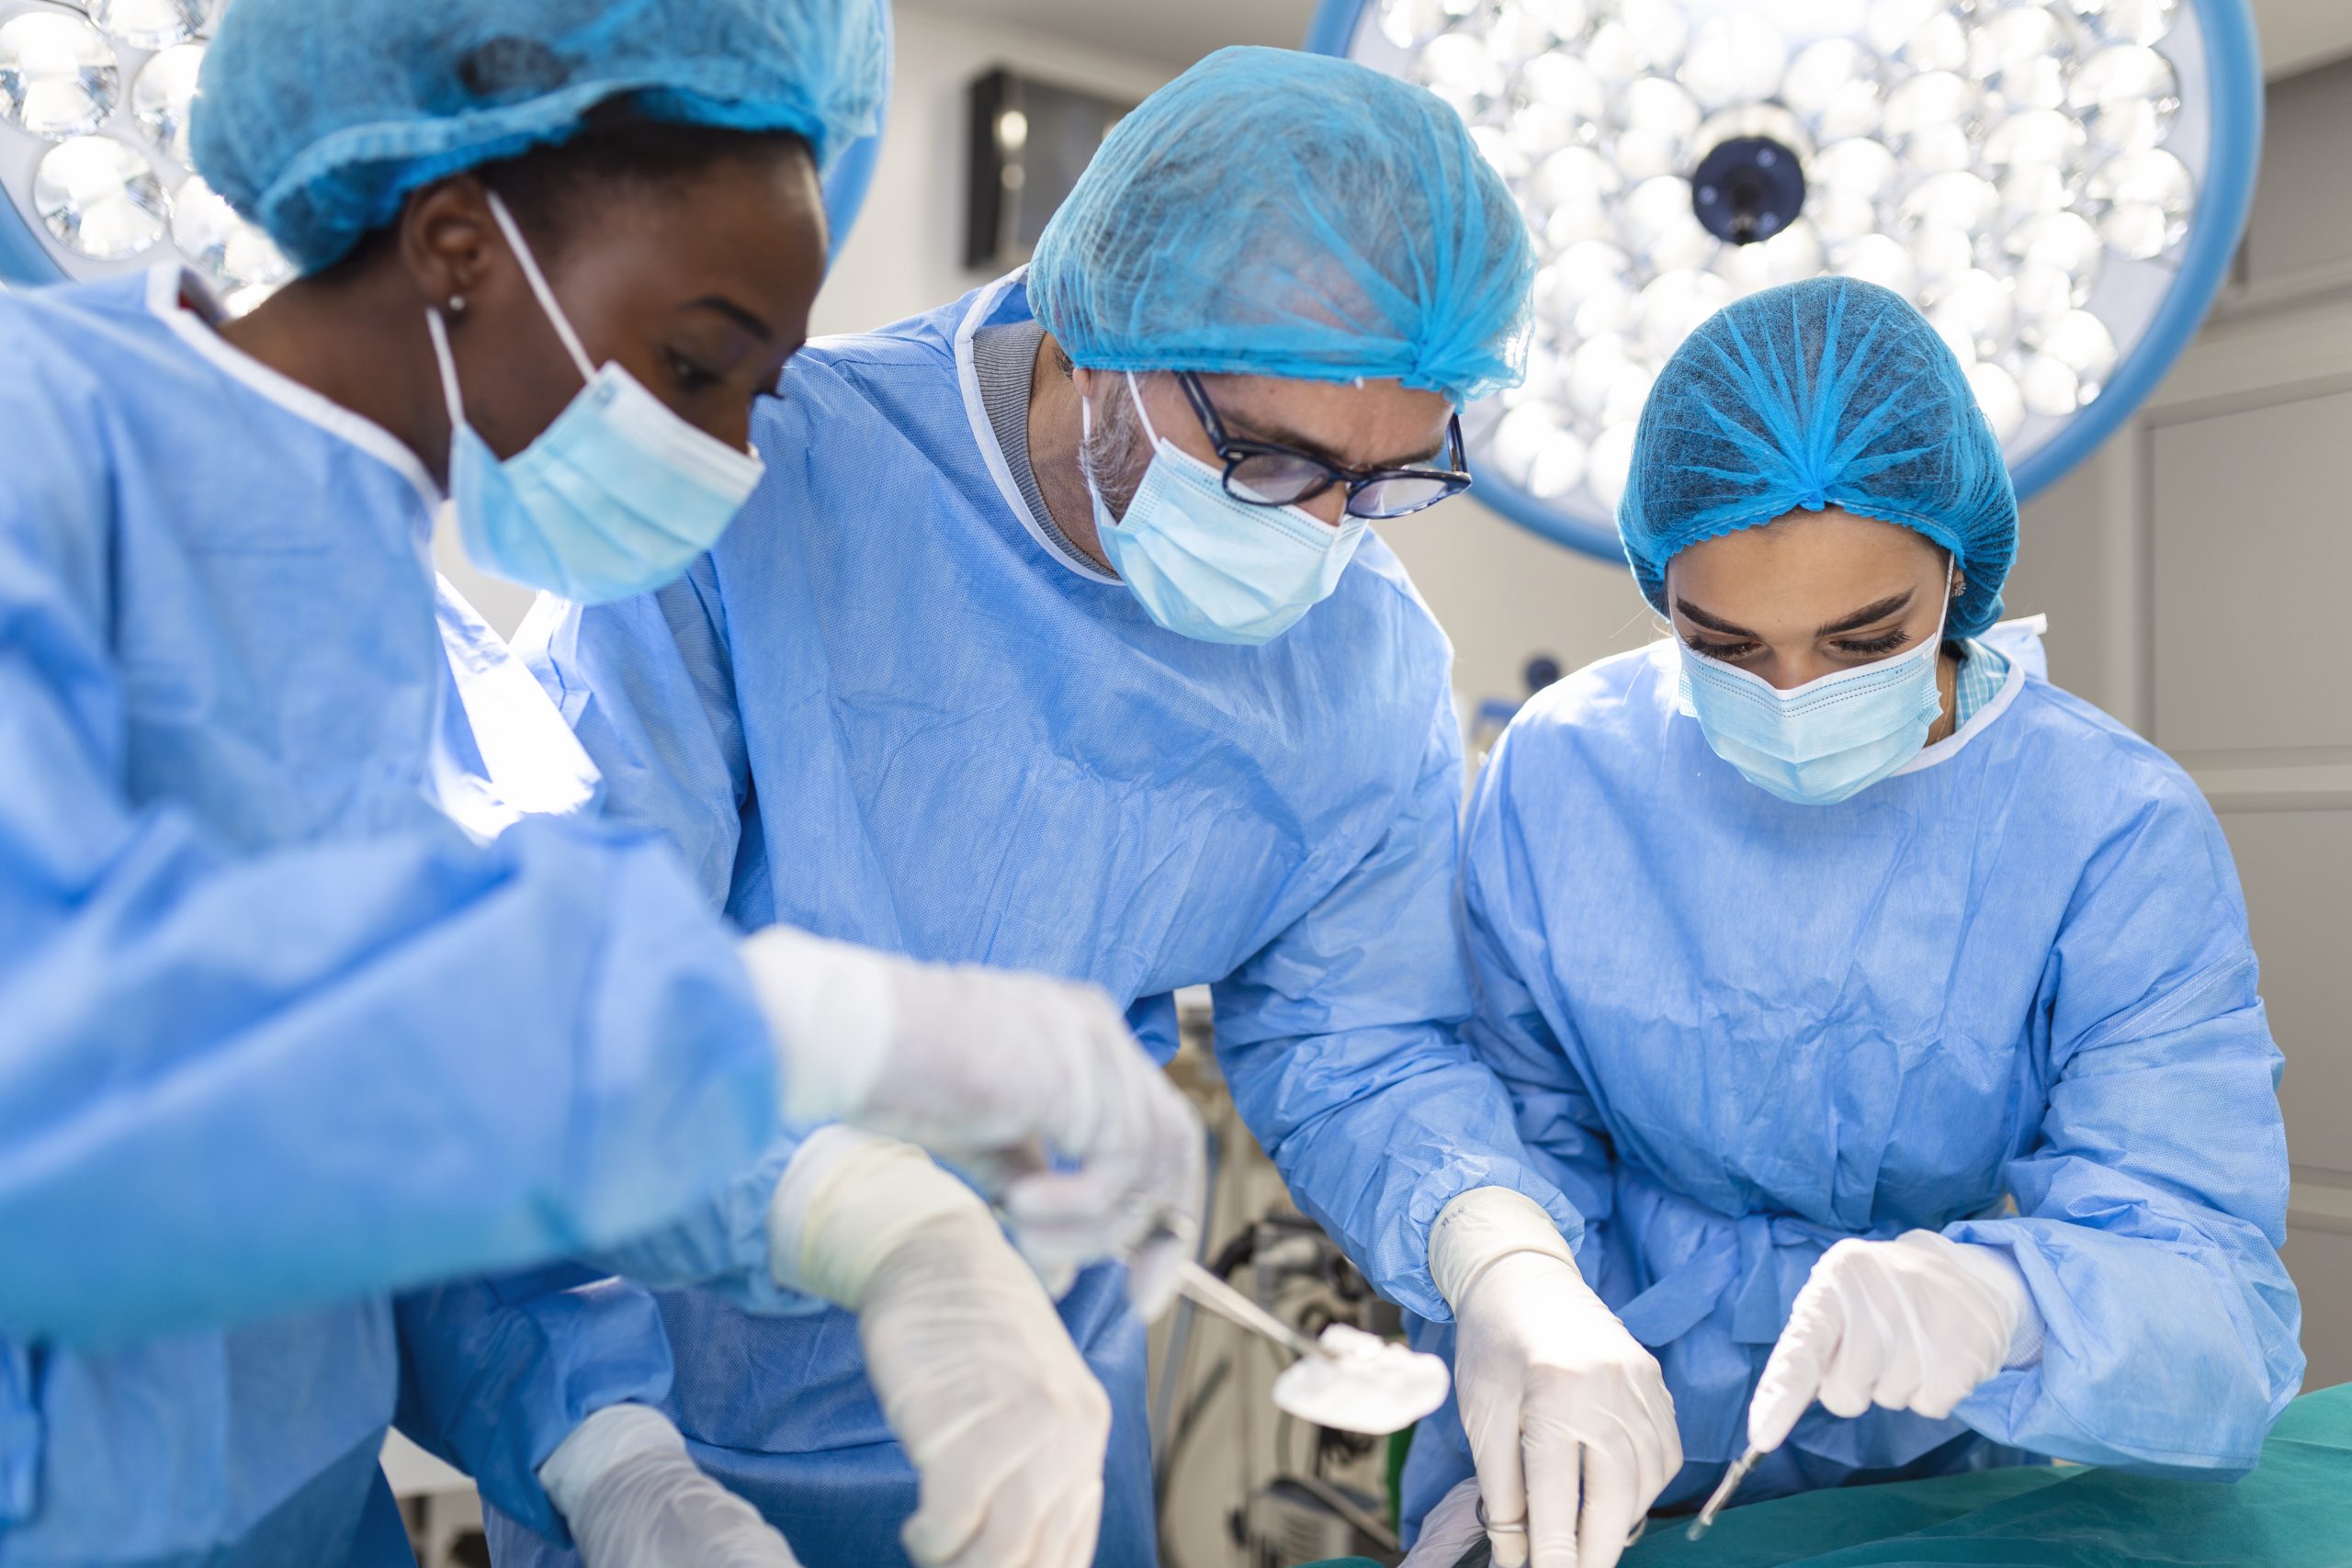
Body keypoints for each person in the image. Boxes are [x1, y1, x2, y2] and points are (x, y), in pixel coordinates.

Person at [0, 2, 1200, 1563]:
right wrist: (824, 1026)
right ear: (452, 241)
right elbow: (80, 1069)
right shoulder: (40, 453)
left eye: (753, 397)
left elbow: (423, 1112)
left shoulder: (400, 642)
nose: (724, 459)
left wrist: (857, 1240)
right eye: (693, 362)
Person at [476, 43, 1675, 1568]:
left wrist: (1508, 1267)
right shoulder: (754, 488)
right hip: (666, 1402)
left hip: (1044, 1416)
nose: (1325, 538)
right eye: (1270, 459)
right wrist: (617, 1458)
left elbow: (1351, 1039)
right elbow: (571, 1005)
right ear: (1102, 333)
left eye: (1385, 483)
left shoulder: (1363, 670)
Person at [1401, 276, 2303, 1563]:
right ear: (1660, 587)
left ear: (1957, 568)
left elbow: (2218, 1302)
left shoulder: (2107, 827)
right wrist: (1525, 1353)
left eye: (1863, 641)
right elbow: (1514, 1143)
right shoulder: (1565, 773)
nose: (1791, 694)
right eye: (1722, 646)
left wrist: (2006, 1303)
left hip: (1941, 1465)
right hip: (1613, 1443)